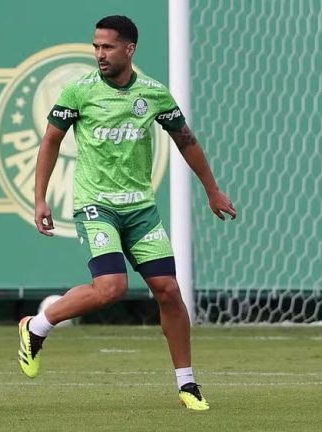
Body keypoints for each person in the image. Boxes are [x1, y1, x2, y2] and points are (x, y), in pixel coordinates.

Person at [17, 15, 236, 411]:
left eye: (107, 47)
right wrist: (40, 199)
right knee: (111, 288)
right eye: (96, 46)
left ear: (129, 49)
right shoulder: (79, 92)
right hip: (95, 205)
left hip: (140, 210)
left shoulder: (153, 94)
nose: (99, 54)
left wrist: (212, 189)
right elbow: (50, 141)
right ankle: (36, 327)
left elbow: (186, 140)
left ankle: (187, 384)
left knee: (169, 291)